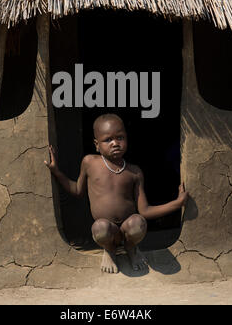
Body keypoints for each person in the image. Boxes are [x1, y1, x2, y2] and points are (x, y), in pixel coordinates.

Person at [45, 113, 188, 274]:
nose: (115, 143)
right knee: (100, 227)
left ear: (126, 138)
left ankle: (131, 248)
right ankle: (109, 249)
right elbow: (78, 191)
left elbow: (145, 211)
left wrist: (177, 203)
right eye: (107, 140)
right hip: (107, 231)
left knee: (138, 222)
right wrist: (56, 172)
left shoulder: (134, 172)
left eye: (120, 137)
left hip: (129, 229)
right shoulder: (90, 163)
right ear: (96, 144)